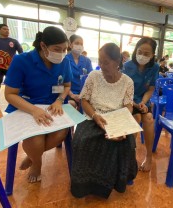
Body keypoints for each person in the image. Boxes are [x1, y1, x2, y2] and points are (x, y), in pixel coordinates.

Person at [4, 26, 72, 183]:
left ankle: (32, 156)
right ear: (43, 46)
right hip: (25, 106)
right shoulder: (22, 61)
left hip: (52, 106)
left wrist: (59, 100)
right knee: (35, 139)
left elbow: (67, 86)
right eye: (57, 49)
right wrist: (33, 110)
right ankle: (37, 162)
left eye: (64, 49)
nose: (61, 54)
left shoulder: (64, 62)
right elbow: (10, 94)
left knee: (61, 133)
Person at [71, 43, 137, 198]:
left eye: (105, 62)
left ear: (117, 62)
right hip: (93, 117)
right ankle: (86, 185)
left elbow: (128, 106)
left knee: (126, 142)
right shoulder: (94, 76)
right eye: (100, 61)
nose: (101, 65)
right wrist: (95, 116)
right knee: (82, 140)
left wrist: (119, 127)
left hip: (116, 119)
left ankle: (115, 181)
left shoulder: (128, 82)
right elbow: (84, 101)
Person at [123, 37, 159, 172]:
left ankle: (149, 157)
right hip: (127, 101)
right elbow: (122, 90)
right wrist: (133, 103)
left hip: (143, 100)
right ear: (135, 50)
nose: (142, 56)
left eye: (146, 54)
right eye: (140, 51)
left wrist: (143, 103)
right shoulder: (127, 66)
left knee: (149, 119)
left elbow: (150, 89)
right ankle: (130, 157)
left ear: (152, 55)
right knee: (136, 119)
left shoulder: (154, 67)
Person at [0, 24, 23, 103]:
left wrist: (20, 63)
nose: (7, 30)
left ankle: (18, 97)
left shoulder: (14, 41)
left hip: (10, 67)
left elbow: (21, 52)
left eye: (8, 29)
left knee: (14, 82)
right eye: (4, 29)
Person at [66, 34, 93, 108]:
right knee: (71, 105)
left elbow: (91, 79)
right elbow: (59, 82)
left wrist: (83, 95)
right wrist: (72, 95)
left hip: (85, 95)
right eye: (77, 43)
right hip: (68, 94)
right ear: (70, 45)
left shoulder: (87, 61)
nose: (79, 46)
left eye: (81, 44)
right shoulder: (64, 60)